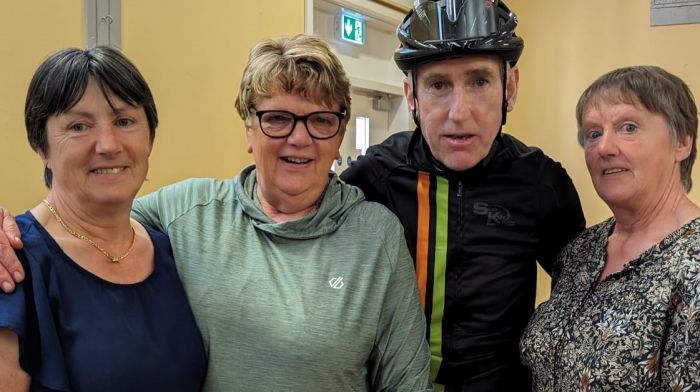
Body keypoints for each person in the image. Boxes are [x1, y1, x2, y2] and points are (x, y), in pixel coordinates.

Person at [0, 35, 433, 391]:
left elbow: (405, 381)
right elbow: (78, 220)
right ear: (249, 128)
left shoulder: (375, 236)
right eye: (277, 119)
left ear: (340, 133)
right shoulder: (186, 214)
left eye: (320, 121)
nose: (299, 139)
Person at [340, 0, 586, 390]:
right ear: (411, 96)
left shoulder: (541, 183)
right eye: (438, 85)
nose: (459, 112)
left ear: (511, 88)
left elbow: (580, 304)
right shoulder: (378, 174)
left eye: (480, 81)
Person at [0, 47, 206, 391]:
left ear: (150, 137)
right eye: (79, 126)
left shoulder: (172, 249)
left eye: (124, 121)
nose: (108, 145)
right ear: (41, 146)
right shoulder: (14, 266)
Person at [520, 65, 700, 390]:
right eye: (593, 134)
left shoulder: (693, 263)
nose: (604, 148)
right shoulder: (581, 251)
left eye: (628, 127)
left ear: (682, 142)